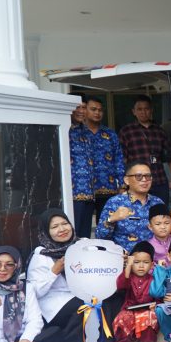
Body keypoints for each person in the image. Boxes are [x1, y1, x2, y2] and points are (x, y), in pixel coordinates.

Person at [27, 209, 83, 342]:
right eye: (54, 227)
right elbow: (35, 292)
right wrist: (54, 271)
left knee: (111, 300)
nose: (62, 229)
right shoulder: (41, 256)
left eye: (65, 223)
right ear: (46, 231)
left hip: (82, 295)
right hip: (55, 304)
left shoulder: (82, 246)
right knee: (84, 307)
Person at [95, 160, 165, 253]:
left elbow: (167, 234)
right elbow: (100, 237)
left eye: (148, 176)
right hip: (124, 260)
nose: (144, 180)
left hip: (154, 260)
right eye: (139, 176)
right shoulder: (115, 202)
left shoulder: (158, 202)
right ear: (127, 180)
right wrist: (111, 220)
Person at [118, 95, 171, 205]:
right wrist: (124, 183)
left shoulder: (160, 131)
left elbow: (170, 155)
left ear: (151, 110)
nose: (143, 112)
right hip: (137, 181)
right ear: (133, 112)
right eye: (139, 109)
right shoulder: (126, 131)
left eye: (146, 109)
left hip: (159, 180)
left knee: (160, 215)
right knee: (138, 214)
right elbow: (122, 160)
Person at [83, 97, 125, 223]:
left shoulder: (110, 134)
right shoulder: (78, 132)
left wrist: (122, 184)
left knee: (107, 224)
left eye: (100, 110)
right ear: (85, 110)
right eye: (93, 109)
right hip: (84, 190)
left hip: (108, 187)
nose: (97, 113)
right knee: (83, 228)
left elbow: (118, 159)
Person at [112, 241, 159, 342]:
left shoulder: (153, 279)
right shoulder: (129, 277)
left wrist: (155, 305)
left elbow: (159, 297)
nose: (141, 266)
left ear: (151, 265)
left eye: (145, 262)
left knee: (150, 317)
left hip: (147, 311)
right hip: (129, 311)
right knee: (123, 317)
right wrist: (128, 266)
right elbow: (121, 285)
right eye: (136, 262)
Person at [68, 97, 95, 238]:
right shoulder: (65, 130)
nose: (81, 111)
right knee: (73, 232)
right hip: (72, 193)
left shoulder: (86, 132)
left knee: (85, 235)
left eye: (84, 107)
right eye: (77, 107)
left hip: (89, 192)